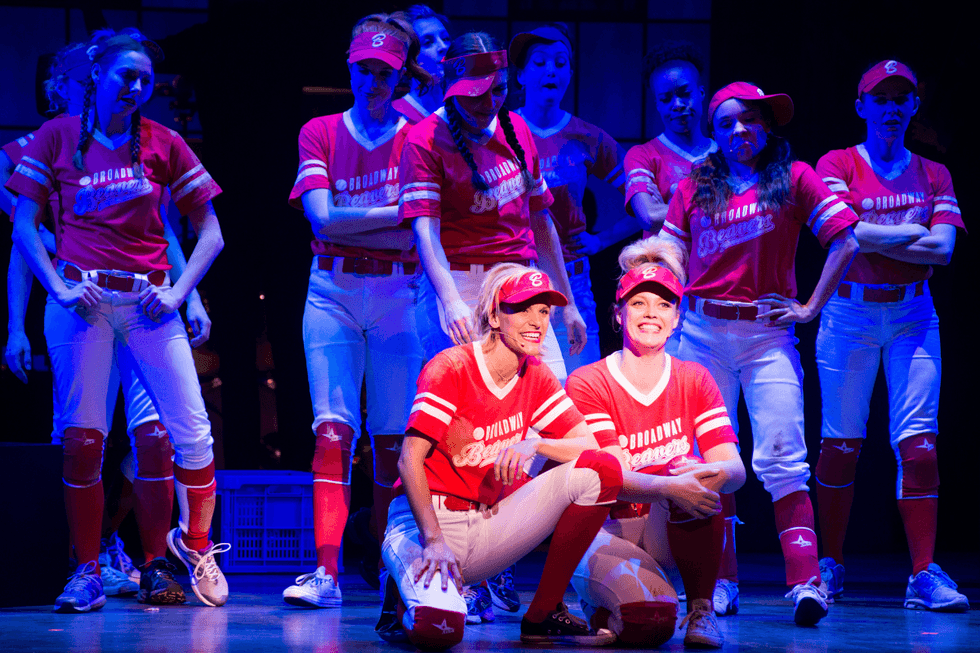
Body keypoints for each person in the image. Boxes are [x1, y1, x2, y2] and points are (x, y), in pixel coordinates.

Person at [7, 29, 228, 612]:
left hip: (150, 306)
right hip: (83, 307)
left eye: (145, 80)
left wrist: (181, 293)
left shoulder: (164, 142)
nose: (136, 87)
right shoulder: (55, 138)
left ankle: (189, 548)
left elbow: (210, 232)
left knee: (189, 435)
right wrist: (56, 286)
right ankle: (86, 568)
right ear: (97, 75)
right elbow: (25, 228)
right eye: (125, 75)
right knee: (83, 440)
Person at [661, 81, 860, 625]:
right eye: (725, 123)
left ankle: (805, 582)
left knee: (782, 454)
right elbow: (670, 251)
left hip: (768, 335)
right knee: (710, 462)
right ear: (714, 131)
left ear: (767, 126)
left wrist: (809, 307)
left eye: (748, 121)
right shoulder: (695, 184)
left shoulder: (795, 178)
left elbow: (846, 239)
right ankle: (718, 583)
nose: (738, 132)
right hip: (700, 334)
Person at [378, 264, 624, 648]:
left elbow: (590, 446)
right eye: (522, 308)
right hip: (428, 524)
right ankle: (397, 593)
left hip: (488, 522)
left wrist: (536, 444)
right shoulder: (452, 366)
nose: (537, 321)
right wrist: (434, 540)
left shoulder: (536, 374)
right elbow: (408, 459)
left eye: (544, 311)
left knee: (601, 470)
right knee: (439, 630)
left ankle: (543, 613)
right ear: (494, 315)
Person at [284, 12, 432, 608]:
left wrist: (382, 225)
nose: (374, 81)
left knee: (394, 440)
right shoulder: (319, 130)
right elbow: (321, 217)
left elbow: (419, 233)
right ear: (349, 66)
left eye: (385, 72)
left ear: (400, 75)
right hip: (332, 292)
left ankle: (393, 577)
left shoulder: (418, 132)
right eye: (365, 69)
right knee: (332, 431)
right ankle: (327, 574)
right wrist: (396, 214)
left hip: (400, 295)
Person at [814, 60, 968, 612]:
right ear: (861, 107)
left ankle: (923, 574)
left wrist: (873, 236)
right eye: (880, 99)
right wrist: (909, 232)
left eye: (901, 98)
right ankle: (828, 566)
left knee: (920, 447)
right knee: (839, 445)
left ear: (913, 107)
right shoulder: (835, 164)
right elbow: (844, 234)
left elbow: (944, 250)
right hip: (849, 315)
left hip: (913, 315)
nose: (892, 108)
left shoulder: (934, 173)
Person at [566, 236, 746, 648]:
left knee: (696, 475)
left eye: (664, 304)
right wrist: (669, 481)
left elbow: (735, 471)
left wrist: (702, 472)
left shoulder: (694, 378)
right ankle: (604, 601)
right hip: (605, 529)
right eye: (639, 303)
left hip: (665, 530)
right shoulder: (589, 381)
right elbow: (610, 478)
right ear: (617, 313)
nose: (651, 314)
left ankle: (701, 610)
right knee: (648, 627)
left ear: (678, 318)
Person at [400, 31, 587, 386]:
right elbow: (426, 230)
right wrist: (451, 301)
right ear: (451, 85)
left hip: (520, 278)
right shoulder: (424, 139)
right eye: (476, 93)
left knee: (550, 384)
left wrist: (570, 304)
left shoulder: (516, 127)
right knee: (481, 396)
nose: (488, 102)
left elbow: (541, 220)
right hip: (460, 280)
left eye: (498, 90)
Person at [509, 24, 636, 373]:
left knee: (576, 391)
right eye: (539, 62)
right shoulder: (501, 133)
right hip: (513, 278)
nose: (551, 70)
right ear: (520, 76)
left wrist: (600, 240)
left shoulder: (587, 137)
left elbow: (643, 205)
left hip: (572, 283)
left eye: (561, 62)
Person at [625, 41, 717, 239]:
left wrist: (670, 206)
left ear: (701, 93)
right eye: (666, 99)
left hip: (716, 268)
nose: (677, 104)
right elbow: (648, 216)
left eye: (685, 94)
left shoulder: (724, 154)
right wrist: (717, 203)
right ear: (657, 105)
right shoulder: (642, 155)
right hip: (663, 268)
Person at [393, 4, 451, 123]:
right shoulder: (395, 115)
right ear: (409, 55)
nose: (443, 47)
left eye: (445, 39)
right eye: (428, 42)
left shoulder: (464, 108)